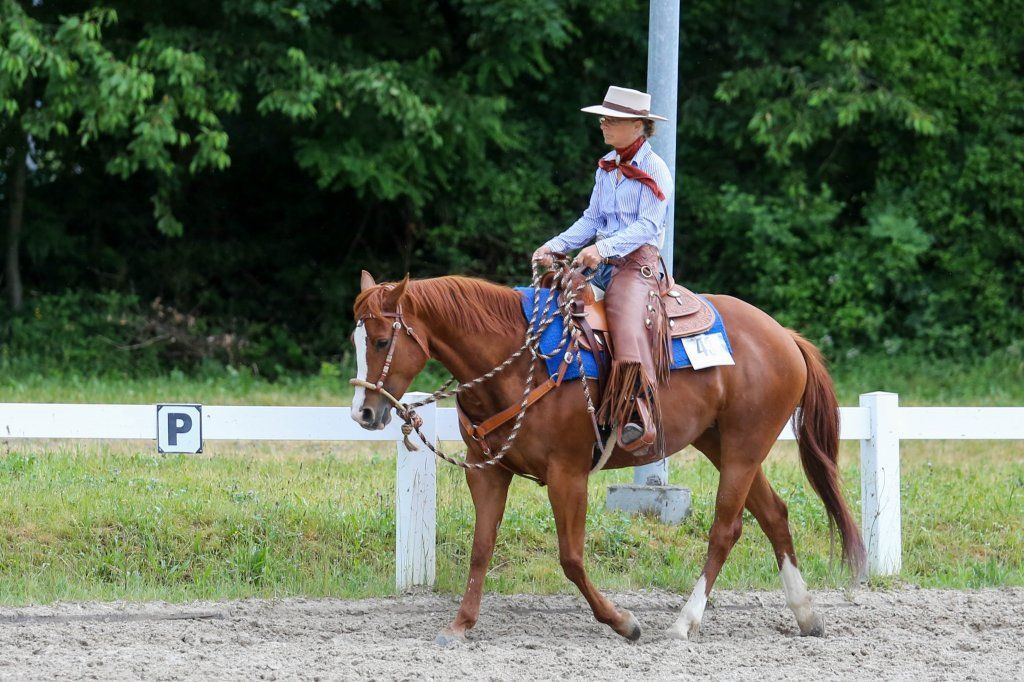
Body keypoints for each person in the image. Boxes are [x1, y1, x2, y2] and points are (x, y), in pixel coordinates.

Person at [532, 85, 673, 456]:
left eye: (612, 119)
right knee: (553, 303)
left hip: (636, 265)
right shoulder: (607, 166)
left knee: (625, 324)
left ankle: (637, 412)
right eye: (603, 118)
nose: (603, 124)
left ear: (638, 125)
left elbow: (647, 225)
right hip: (601, 263)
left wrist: (603, 248)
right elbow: (591, 219)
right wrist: (555, 245)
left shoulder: (655, 169)